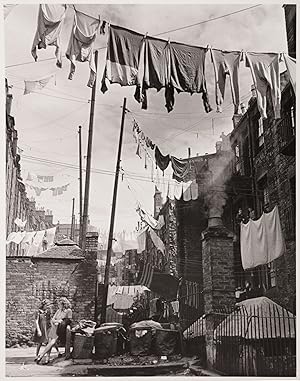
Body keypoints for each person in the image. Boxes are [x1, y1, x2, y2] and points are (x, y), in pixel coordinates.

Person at [36, 297, 72, 364]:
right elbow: (53, 319)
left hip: (60, 329)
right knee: (50, 342)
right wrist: (58, 321)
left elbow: (69, 320)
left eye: (59, 304)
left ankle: (41, 355)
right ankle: (47, 359)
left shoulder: (68, 311)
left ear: (64, 304)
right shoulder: (58, 311)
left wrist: (59, 322)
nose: (58, 306)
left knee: (52, 342)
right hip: (54, 327)